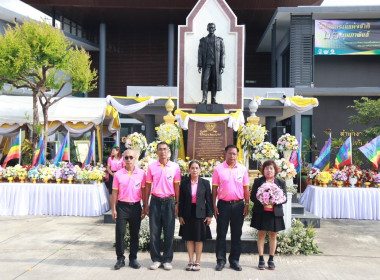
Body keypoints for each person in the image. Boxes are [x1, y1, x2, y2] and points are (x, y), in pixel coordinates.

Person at [143, 142, 181, 270]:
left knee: (169, 232)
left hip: (169, 201)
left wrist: (177, 203)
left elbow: (177, 186)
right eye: (160, 149)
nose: (163, 152)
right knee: (154, 231)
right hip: (155, 201)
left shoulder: (175, 167)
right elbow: (148, 186)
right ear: (157, 152)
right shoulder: (151, 167)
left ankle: (167, 259)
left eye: (165, 149)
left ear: (169, 151)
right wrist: (146, 204)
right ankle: (156, 258)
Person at [212, 144, 250, 271]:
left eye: (234, 154)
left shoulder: (243, 169)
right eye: (230, 153)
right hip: (223, 205)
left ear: (237, 155)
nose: (232, 156)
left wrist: (247, 204)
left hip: (238, 205)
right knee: (221, 234)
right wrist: (214, 205)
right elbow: (214, 188)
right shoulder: (218, 169)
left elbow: (246, 188)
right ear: (225, 153)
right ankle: (221, 260)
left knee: (236, 234)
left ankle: (234, 260)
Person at [111, 149, 146, 270]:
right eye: (126, 157)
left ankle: (133, 258)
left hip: (136, 206)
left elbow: (144, 191)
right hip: (122, 206)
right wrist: (114, 209)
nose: (129, 160)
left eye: (131, 157)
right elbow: (114, 192)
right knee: (120, 233)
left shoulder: (142, 173)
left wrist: (145, 206)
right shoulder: (118, 174)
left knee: (134, 234)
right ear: (123, 159)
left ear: (135, 159)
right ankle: (120, 259)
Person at [250, 160, 287, 270]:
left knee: (273, 235)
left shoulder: (280, 183)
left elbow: (284, 199)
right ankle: (261, 258)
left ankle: (271, 259)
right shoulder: (258, 181)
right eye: (266, 168)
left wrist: (276, 200)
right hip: (261, 212)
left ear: (275, 170)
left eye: (271, 168)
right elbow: (252, 197)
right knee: (261, 234)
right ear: (263, 170)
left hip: (275, 213)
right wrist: (261, 200)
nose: (269, 170)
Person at [178, 160, 213, 271]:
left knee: (198, 239)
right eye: (192, 168)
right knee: (189, 238)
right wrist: (180, 215)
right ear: (189, 170)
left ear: (200, 170)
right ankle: (190, 261)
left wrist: (209, 215)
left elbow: (209, 200)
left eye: (197, 168)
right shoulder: (184, 183)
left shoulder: (205, 183)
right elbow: (181, 201)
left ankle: (197, 262)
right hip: (187, 213)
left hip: (200, 213)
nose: (194, 170)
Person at [198, 22, 225, 104]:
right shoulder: (203, 41)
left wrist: (222, 65)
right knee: (205, 80)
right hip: (207, 64)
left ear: (215, 29)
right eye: (209, 27)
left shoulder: (219, 40)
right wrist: (199, 65)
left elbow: (223, 53)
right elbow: (199, 53)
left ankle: (213, 99)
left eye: (212, 27)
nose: (211, 29)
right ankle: (204, 98)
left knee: (214, 81)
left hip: (216, 65)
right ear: (207, 29)